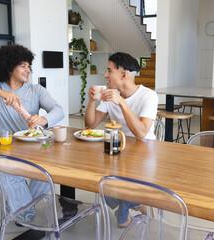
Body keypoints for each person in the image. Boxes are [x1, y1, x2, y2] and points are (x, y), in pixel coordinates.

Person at [0, 44, 65, 222]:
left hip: (33, 150)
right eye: (23, 65)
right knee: (6, 171)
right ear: (9, 67)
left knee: (48, 172)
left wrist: (44, 120)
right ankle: (24, 213)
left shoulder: (36, 90)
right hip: (3, 152)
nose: (28, 70)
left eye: (29, 66)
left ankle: (19, 208)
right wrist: (0, 93)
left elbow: (58, 110)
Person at [85, 52, 158, 227]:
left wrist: (121, 103)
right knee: (103, 188)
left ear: (124, 75)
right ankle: (138, 204)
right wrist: (91, 101)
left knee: (123, 190)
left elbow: (141, 133)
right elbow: (90, 126)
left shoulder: (148, 96)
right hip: (117, 152)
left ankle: (130, 208)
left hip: (145, 156)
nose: (105, 75)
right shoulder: (111, 96)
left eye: (109, 70)